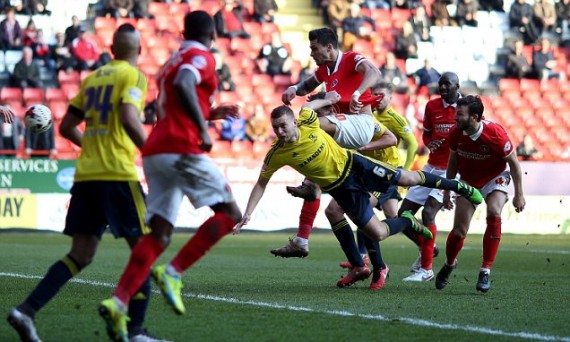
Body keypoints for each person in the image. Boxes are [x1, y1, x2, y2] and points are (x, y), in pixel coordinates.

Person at [6, 23, 158, 342]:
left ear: (112, 50)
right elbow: (130, 119)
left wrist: (91, 147)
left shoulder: (92, 79)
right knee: (145, 250)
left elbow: (67, 127)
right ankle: (136, 331)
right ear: (139, 51)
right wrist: (153, 154)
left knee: (81, 254)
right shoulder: (134, 76)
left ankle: (26, 310)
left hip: (87, 176)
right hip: (117, 175)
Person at [98, 11, 242, 341]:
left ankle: (119, 301)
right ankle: (173, 272)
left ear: (181, 31)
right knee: (231, 213)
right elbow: (185, 84)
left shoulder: (170, 61)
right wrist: (203, 127)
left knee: (159, 233)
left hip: (155, 151)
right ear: (215, 36)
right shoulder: (200, 55)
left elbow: (173, 98)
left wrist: (209, 112)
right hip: (181, 147)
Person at [234, 96, 483, 287]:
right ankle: (406, 222)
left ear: (293, 121)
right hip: (341, 189)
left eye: (283, 126)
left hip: (356, 165)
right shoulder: (277, 153)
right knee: (378, 231)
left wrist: (333, 97)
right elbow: (261, 183)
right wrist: (247, 214)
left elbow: (324, 99)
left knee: (407, 177)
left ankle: (459, 186)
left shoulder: (308, 119)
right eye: (275, 128)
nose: (279, 132)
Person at [273, 26, 381, 257]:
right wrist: (293, 89)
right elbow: (307, 86)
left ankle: (310, 186)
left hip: (360, 123)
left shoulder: (351, 59)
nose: (311, 53)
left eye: (315, 48)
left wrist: (356, 93)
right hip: (341, 128)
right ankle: (302, 239)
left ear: (329, 47)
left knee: (310, 125)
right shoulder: (324, 70)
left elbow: (374, 72)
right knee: (319, 172)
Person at [435, 95, 525, 293]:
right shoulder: (456, 134)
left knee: (494, 211)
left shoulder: (495, 133)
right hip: (468, 181)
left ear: (474, 117)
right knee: (459, 231)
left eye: (460, 114)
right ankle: (450, 264)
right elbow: (453, 162)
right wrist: (447, 191)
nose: (455, 118)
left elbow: (515, 164)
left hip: (495, 177)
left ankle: (485, 270)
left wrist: (519, 194)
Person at [397, 72, 460, 282]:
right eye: (440, 85)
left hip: (452, 171)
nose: (442, 88)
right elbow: (426, 133)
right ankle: (428, 248)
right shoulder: (432, 106)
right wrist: (429, 141)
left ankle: (426, 270)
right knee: (404, 214)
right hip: (431, 167)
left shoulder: (467, 107)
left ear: (457, 86)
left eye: (447, 85)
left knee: (429, 212)